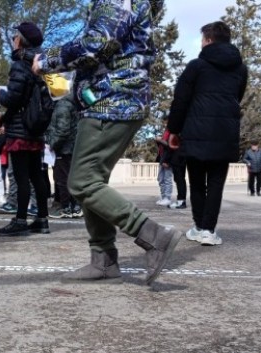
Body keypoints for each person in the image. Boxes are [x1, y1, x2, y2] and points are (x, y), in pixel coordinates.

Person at [33, 0, 182, 285]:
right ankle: (103, 261)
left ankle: (155, 237)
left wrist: (45, 60)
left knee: (82, 183)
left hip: (112, 102)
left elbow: (95, 44)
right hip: (109, 101)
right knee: (92, 180)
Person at [167, 21, 248, 247]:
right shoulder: (241, 69)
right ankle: (209, 231)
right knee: (216, 183)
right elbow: (237, 98)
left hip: (196, 130)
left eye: (203, 39)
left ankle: (199, 226)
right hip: (225, 132)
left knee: (196, 181)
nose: (201, 43)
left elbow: (180, 100)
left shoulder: (196, 66)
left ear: (209, 40)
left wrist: (173, 130)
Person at [0, 22, 53, 236]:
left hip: (20, 130)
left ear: (20, 40)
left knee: (21, 177)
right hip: (36, 128)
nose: (12, 40)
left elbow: (14, 98)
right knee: (37, 175)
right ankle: (42, 220)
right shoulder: (41, 63)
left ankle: (20, 220)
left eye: (14, 37)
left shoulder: (20, 64)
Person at [44, 93, 79, 219]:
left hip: (64, 149)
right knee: (69, 178)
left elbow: (62, 130)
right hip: (72, 147)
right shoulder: (73, 103)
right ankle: (75, 207)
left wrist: (52, 145)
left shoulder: (62, 105)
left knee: (62, 179)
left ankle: (66, 208)